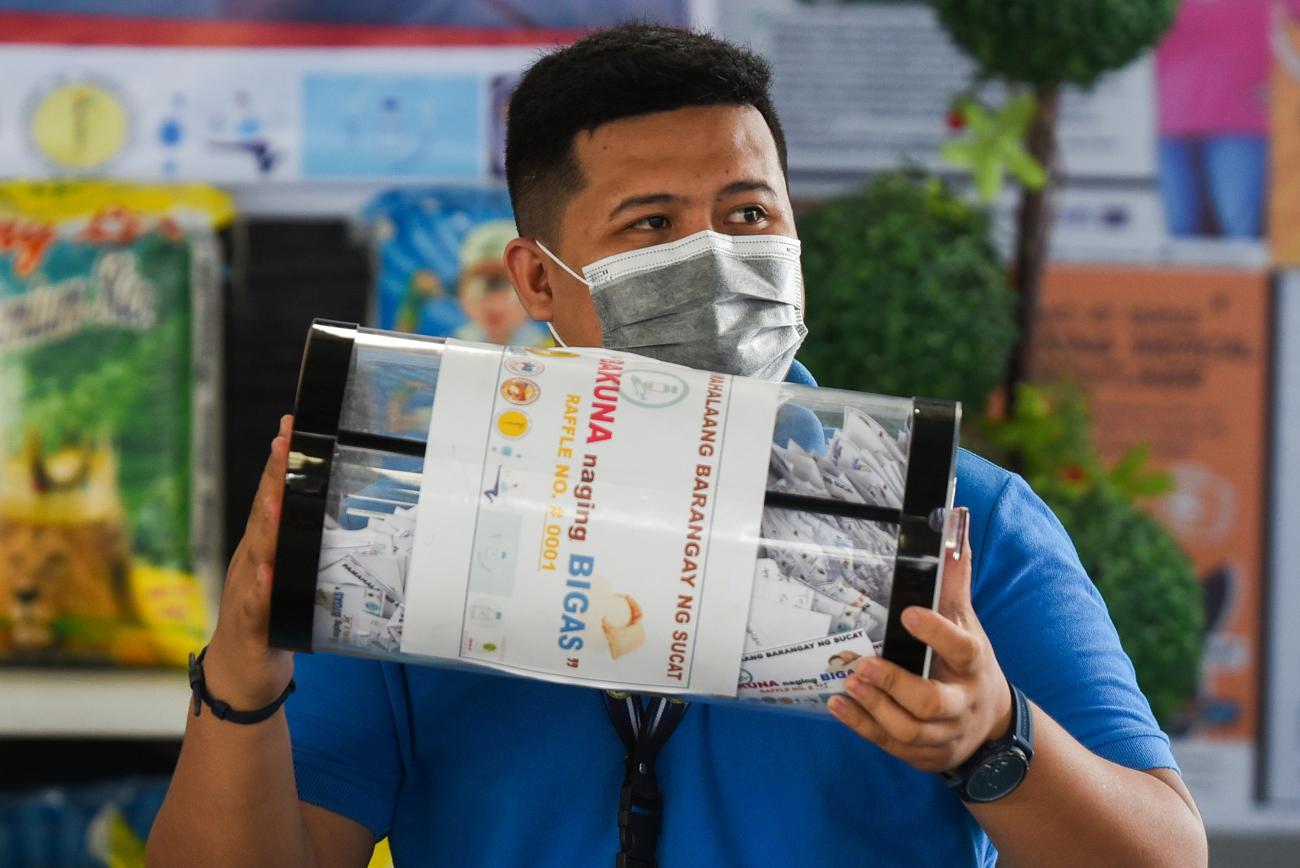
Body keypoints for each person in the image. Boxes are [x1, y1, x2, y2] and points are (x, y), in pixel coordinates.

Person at [147, 25, 1207, 867]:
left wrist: (995, 739)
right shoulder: (417, 522)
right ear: (536, 280)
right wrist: (243, 669)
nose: (717, 256)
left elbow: (1163, 855)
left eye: (748, 212)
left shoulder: (965, 519)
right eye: (650, 224)